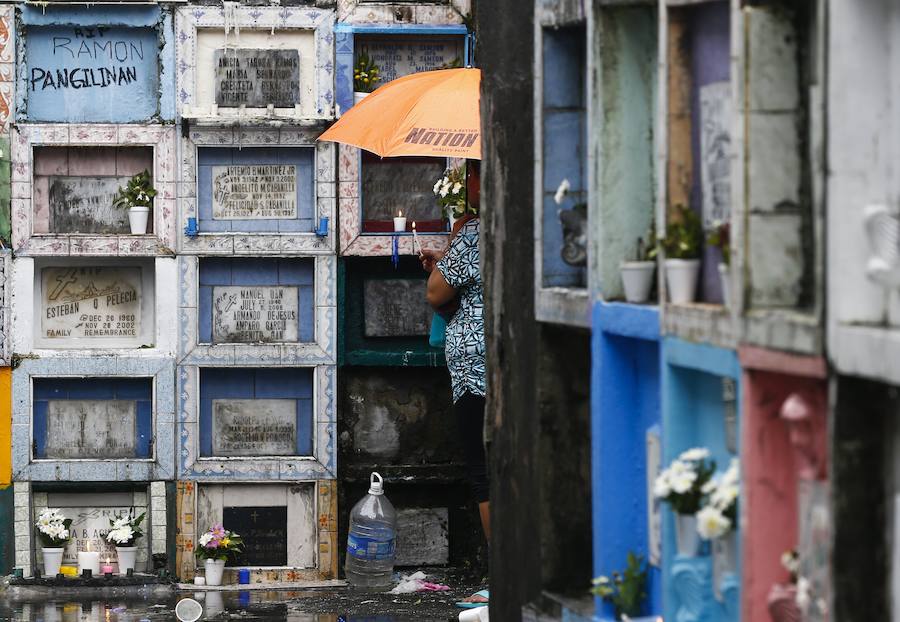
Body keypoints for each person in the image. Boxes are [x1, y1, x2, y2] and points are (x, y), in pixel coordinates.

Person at [420, 161, 489, 607]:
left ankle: (503, 572)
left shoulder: (475, 231)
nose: (469, 184)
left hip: (474, 369)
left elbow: (435, 293)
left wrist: (447, 254)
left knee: (485, 471)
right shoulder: (529, 221)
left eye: (476, 174)